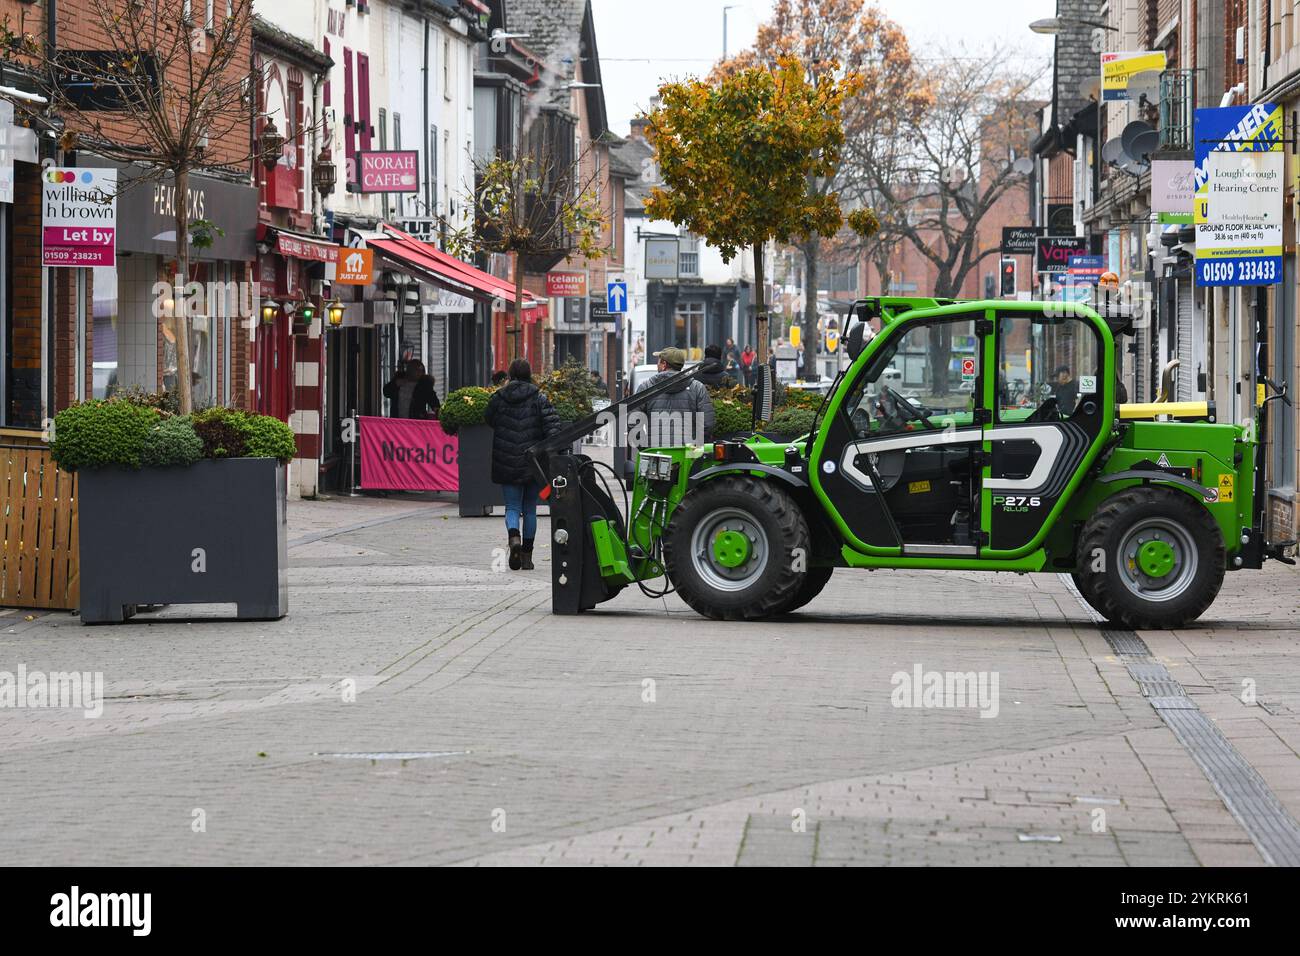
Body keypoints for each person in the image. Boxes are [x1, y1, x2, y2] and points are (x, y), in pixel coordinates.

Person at [485, 358, 561, 571]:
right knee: (529, 509)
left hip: (506, 459)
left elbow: (488, 418)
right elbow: (553, 426)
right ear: (529, 374)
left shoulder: (498, 397)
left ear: (510, 375)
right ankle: (527, 556)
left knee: (512, 507)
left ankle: (513, 537)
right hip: (533, 462)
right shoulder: (539, 397)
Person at [635, 346, 715, 446]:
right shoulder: (697, 388)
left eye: (659, 361)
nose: (657, 365)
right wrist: (696, 447)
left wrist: (644, 448)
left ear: (664, 364)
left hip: (656, 452)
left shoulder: (646, 388)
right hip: (687, 454)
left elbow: (634, 422)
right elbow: (707, 424)